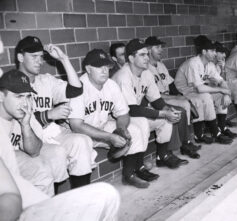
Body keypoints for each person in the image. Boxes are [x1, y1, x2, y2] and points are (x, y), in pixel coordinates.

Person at [0, 70, 120, 221]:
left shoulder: (23, 113)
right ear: (1, 96)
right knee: (39, 168)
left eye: (28, 96)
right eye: (18, 96)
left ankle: (53, 205)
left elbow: (34, 150)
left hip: (17, 161)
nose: (25, 103)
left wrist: (25, 125)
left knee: (57, 152)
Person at [69, 49, 158, 189]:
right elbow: (76, 126)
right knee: (82, 143)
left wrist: (120, 130)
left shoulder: (110, 85)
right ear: (88, 69)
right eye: (99, 66)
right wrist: (110, 137)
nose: (104, 70)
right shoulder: (78, 86)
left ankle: (129, 175)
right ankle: (82, 193)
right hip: (79, 133)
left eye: (107, 66)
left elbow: (123, 113)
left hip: (101, 127)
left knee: (132, 130)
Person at [15, 36, 97, 189]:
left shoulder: (45, 80)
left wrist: (64, 59)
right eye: (34, 56)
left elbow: (76, 89)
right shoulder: (10, 83)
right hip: (25, 139)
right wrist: (49, 115)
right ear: (20, 57)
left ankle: (82, 196)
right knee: (57, 154)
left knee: (82, 141)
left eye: (41, 56)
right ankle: (56, 198)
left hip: (49, 132)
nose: (39, 61)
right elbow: (18, 122)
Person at [112, 38, 188, 169]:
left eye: (147, 54)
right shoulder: (123, 76)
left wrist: (166, 110)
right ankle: (136, 167)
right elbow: (132, 110)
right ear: (130, 58)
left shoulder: (146, 72)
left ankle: (162, 156)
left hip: (132, 113)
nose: (147, 57)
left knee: (165, 119)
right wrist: (163, 113)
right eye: (142, 55)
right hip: (117, 119)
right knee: (144, 122)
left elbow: (156, 100)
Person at [145, 36, 201, 159]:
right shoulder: (145, 68)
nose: (161, 50)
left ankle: (186, 142)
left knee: (186, 102)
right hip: (158, 100)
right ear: (148, 49)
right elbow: (153, 96)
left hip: (167, 96)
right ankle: (184, 145)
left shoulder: (160, 65)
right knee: (181, 109)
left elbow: (171, 84)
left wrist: (181, 96)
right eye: (157, 47)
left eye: (161, 47)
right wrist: (176, 97)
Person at [174, 35, 233, 144]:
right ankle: (213, 133)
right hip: (182, 92)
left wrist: (225, 94)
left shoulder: (209, 64)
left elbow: (221, 81)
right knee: (205, 97)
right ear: (204, 51)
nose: (215, 53)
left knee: (219, 95)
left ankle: (221, 127)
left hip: (195, 90)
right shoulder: (193, 63)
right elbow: (200, 89)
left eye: (215, 51)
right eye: (212, 51)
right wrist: (222, 90)